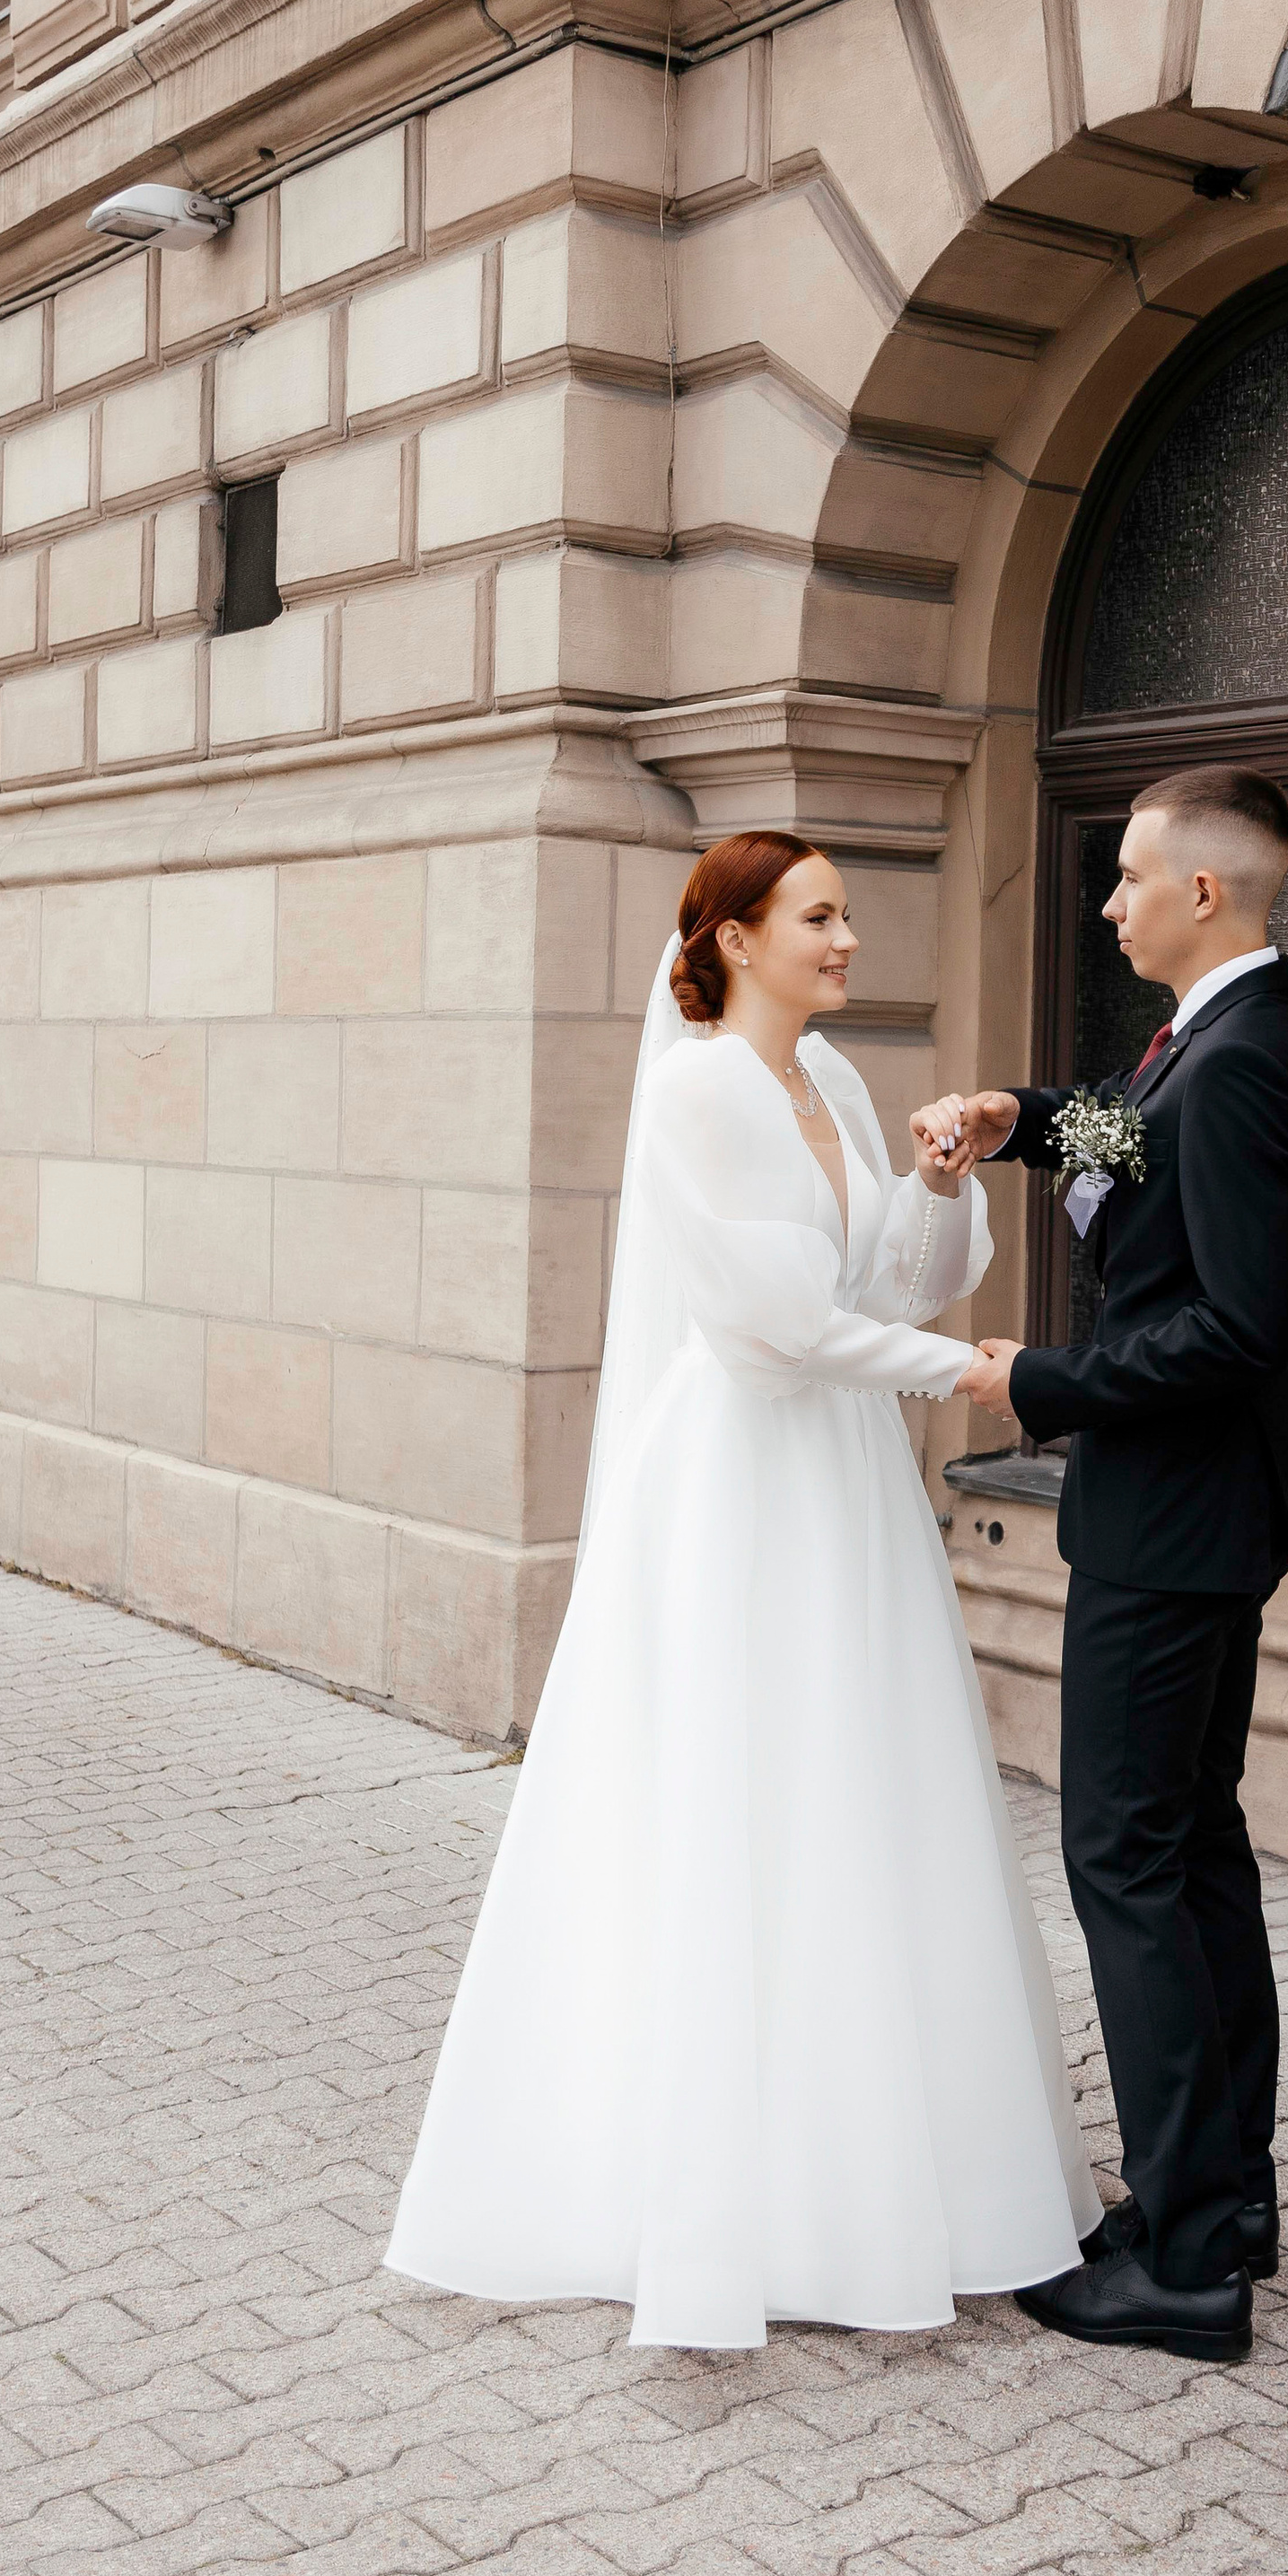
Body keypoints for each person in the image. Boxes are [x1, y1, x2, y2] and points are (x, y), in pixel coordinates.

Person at [386, 831, 1098, 2350]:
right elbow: (773, 1330)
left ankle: (889, 2168)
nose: (849, 939)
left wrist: (943, 1186)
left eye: (847, 914)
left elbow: (901, 1283)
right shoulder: (696, 1089)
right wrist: (973, 1379)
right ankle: (729, 2197)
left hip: (844, 1474)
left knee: (862, 1791)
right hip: (745, 1476)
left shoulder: (829, 1084)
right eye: (819, 917)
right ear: (729, 940)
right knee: (747, 1791)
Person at [916, 765, 1288, 2365]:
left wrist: (1030, 1381)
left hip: (1177, 1519)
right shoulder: (1212, 1036)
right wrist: (1019, 1119)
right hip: (1196, 1518)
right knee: (1191, 1849)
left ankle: (1179, 2259)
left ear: (1203, 896)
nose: (1107, 903)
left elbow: (1230, 1329)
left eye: (1130, 879)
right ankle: (1223, 2198)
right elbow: (1131, 1148)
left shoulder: (1236, 1060)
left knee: (1128, 1862)